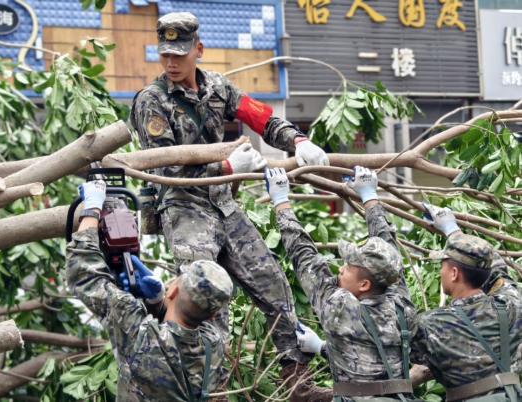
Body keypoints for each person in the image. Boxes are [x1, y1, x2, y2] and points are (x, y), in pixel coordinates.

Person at [129, 11, 331, 401]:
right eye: (165, 54)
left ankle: (298, 384)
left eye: (180, 54)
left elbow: (262, 117)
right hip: (185, 209)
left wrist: (299, 142)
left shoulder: (219, 88)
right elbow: (166, 169)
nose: (171, 63)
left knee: (273, 286)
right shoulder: (151, 103)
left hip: (224, 206)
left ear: (198, 50)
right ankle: (214, 392)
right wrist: (226, 166)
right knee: (205, 300)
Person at [66, 180, 233, 402]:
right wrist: (155, 304)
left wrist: (91, 209)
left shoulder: (139, 334)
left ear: (172, 290)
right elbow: (175, 335)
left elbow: (84, 274)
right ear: (213, 316)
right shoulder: (215, 346)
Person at [265, 166, 417, 401]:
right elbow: (389, 252)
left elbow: (307, 262)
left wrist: (281, 203)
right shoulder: (402, 307)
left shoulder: (341, 308)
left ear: (364, 285)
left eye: (348, 268)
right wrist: (370, 197)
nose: (341, 269)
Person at [410, 204, 522, 401]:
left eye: (442, 267)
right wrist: (453, 230)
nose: (440, 272)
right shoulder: (512, 305)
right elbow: (498, 274)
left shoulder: (433, 324)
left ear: (454, 274)